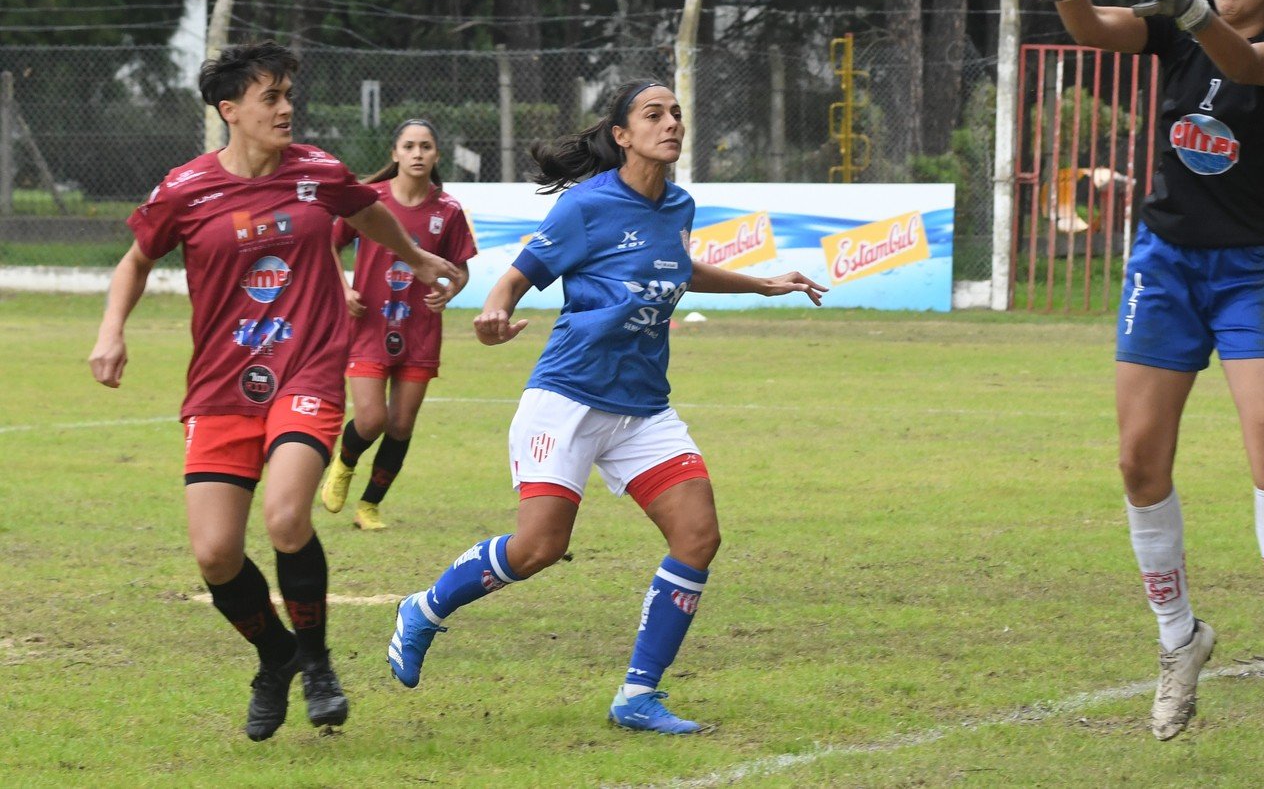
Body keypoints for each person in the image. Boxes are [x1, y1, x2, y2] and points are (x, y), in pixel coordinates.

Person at [385, 78, 827, 733]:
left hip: (642, 407)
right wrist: (493, 314)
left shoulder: (677, 204)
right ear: (622, 135)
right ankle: (423, 609)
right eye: (654, 114)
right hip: (567, 398)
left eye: (676, 111)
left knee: (698, 535)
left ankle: (637, 695)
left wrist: (761, 283)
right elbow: (515, 277)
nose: (671, 122)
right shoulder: (585, 207)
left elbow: (676, 266)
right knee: (537, 547)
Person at [1005, 0, 1264, 739]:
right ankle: (1178, 640)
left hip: (1254, 272)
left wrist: (1196, 14)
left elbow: (1245, 63)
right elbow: (1090, 30)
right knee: (1136, 463)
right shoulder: (1174, 31)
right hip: (1164, 265)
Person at [88, 41, 457, 742]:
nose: (286, 108)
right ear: (231, 111)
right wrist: (112, 330)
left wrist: (414, 256)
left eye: (288, 94)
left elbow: (365, 211)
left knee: (287, 517)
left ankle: (317, 661)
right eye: (270, 97)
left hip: (308, 370)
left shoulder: (319, 171)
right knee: (215, 554)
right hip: (221, 387)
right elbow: (136, 259)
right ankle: (276, 656)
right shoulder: (186, 188)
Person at [321, 119, 476, 531]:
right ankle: (345, 462)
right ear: (395, 154)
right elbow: (328, 246)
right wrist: (344, 290)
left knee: (401, 424)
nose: (418, 153)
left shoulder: (448, 210)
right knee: (371, 419)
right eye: (409, 146)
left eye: (426, 146)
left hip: (420, 331)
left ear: (436, 155)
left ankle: (369, 506)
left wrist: (450, 291)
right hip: (370, 324)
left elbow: (459, 271)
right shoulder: (369, 201)